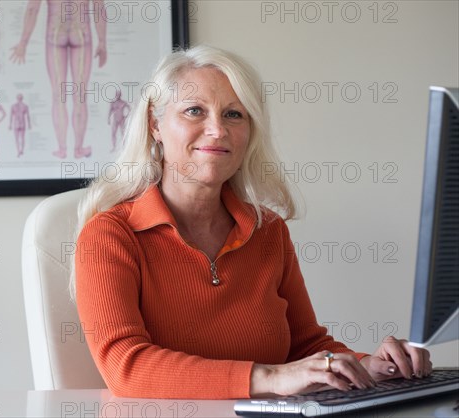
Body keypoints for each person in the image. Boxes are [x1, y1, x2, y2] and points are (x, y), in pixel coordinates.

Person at [72, 45, 432, 399]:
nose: (217, 130)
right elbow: (126, 367)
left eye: (234, 114)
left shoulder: (268, 230)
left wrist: (370, 365)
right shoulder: (109, 235)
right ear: (155, 124)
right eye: (195, 110)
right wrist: (271, 378)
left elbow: (305, 345)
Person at [10, 0, 107, 159]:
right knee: (80, 97)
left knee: (58, 96)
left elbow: (32, 9)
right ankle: (78, 149)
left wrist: (23, 43)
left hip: (56, 32)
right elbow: (99, 8)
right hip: (81, 33)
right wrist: (102, 42)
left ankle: (62, 149)